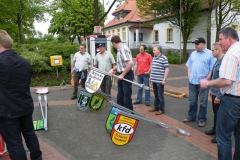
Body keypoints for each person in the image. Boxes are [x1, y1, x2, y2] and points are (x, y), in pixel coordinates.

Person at [0, 30, 42, 160]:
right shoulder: (24, 62)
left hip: (7, 111)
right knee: (30, 134)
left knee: (14, 143)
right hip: (25, 107)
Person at [200, 27, 240, 160]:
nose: (219, 42)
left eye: (221, 39)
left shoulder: (231, 54)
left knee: (223, 137)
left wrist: (208, 83)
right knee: (239, 137)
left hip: (232, 100)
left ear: (229, 39)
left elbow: (226, 80)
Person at [183, 37, 215, 127]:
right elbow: (189, 65)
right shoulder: (193, 53)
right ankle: (191, 116)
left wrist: (207, 80)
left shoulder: (210, 54)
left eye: (197, 44)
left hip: (203, 83)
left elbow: (211, 69)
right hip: (192, 82)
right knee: (192, 101)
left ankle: (202, 119)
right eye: (195, 44)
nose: (195, 46)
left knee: (203, 102)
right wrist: (189, 76)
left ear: (203, 44)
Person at [204, 42, 224, 143]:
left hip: (220, 94)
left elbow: (223, 81)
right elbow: (214, 77)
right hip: (215, 92)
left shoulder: (223, 62)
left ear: (218, 50)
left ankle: (219, 135)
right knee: (216, 113)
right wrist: (211, 89)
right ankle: (215, 129)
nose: (211, 52)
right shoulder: (217, 61)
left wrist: (219, 96)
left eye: (213, 50)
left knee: (220, 115)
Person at [108, 35, 134, 110]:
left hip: (127, 75)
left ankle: (129, 115)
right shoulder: (119, 49)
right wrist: (113, 69)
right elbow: (120, 65)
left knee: (126, 96)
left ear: (113, 43)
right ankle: (120, 111)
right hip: (122, 74)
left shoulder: (123, 48)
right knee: (120, 95)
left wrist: (122, 75)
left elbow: (130, 63)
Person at [149, 45, 169, 115]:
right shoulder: (154, 58)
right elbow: (152, 67)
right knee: (156, 94)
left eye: (154, 50)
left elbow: (167, 69)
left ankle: (161, 109)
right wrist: (151, 77)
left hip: (160, 81)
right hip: (154, 79)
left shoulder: (164, 58)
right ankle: (156, 107)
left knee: (160, 95)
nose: (153, 51)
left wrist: (164, 79)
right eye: (153, 50)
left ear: (159, 50)